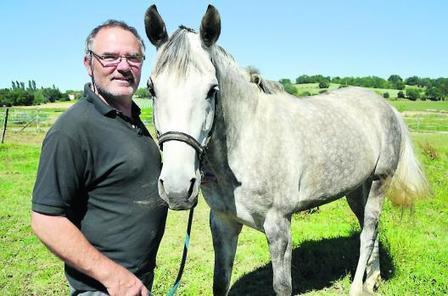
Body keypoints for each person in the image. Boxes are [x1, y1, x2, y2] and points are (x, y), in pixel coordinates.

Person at [31, 20, 167, 296]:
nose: (124, 66)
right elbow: (46, 220)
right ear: (88, 63)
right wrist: (115, 278)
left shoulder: (131, 119)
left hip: (137, 280)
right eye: (109, 57)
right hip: (104, 288)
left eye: (133, 58)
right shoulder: (73, 129)